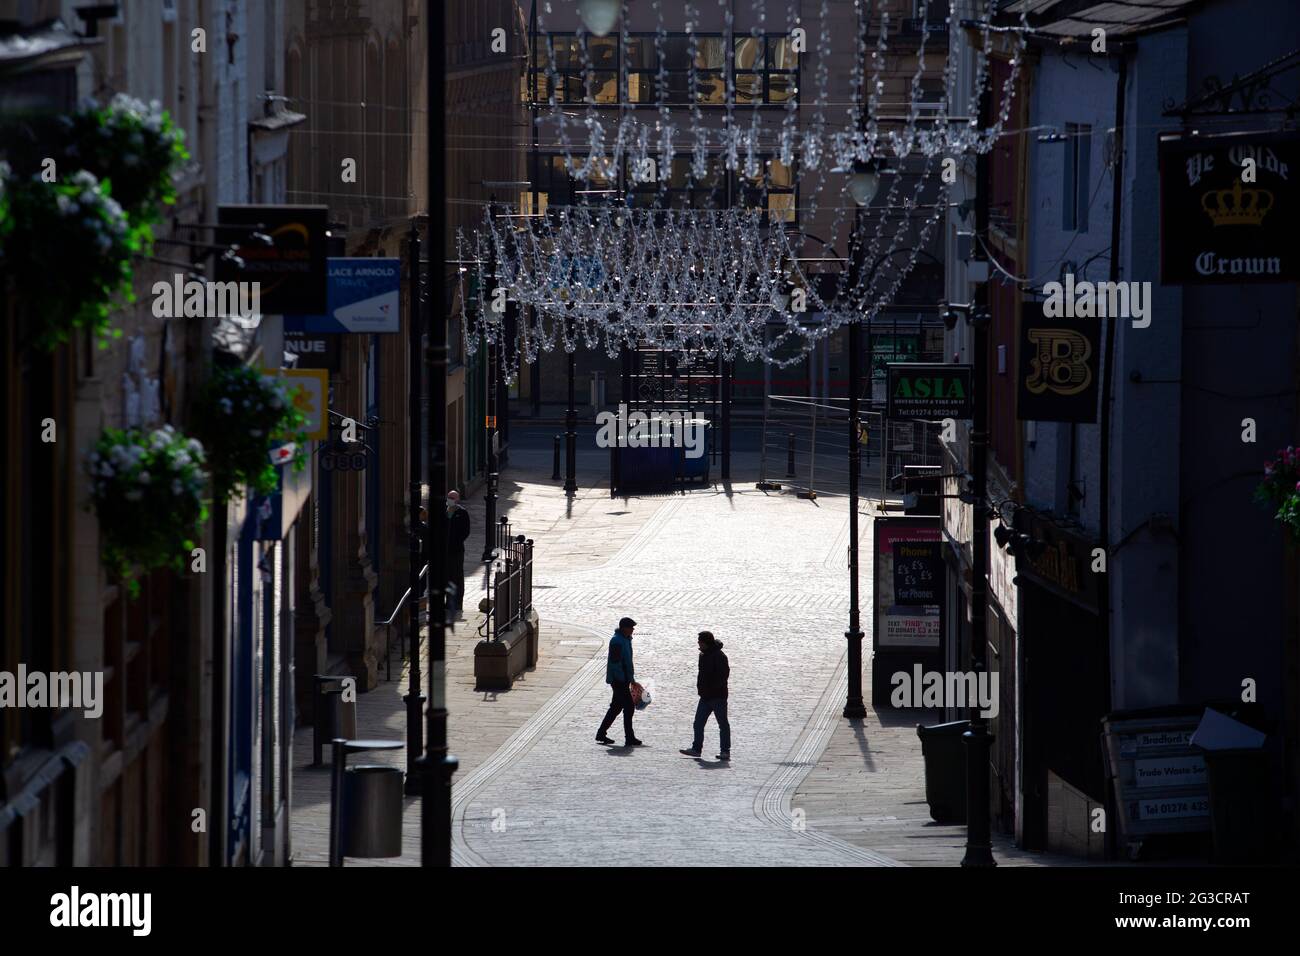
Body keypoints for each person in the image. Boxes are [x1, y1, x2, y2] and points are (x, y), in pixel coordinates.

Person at [680, 631, 730, 760]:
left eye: (700, 641)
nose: (698, 643)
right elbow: (701, 675)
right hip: (705, 696)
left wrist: (710, 690)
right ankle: (696, 749)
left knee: (722, 724)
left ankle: (725, 751)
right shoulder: (703, 655)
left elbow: (723, 676)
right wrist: (702, 690)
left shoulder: (719, 656)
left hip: (718, 696)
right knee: (698, 723)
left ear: (706, 642)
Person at [596, 617, 642, 747]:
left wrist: (631, 680)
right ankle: (629, 737)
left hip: (623, 680)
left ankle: (601, 733)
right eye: (631, 627)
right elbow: (616, 663)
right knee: (629, 707)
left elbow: (627, 662)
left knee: (616, 707)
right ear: (624, 628)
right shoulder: (617, 641)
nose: (633, 630)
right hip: (619, 680)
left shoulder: (626, 639)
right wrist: (624, 679)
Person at [446, 490, 470, 613]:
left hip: (456, 551)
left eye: (453, 498)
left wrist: (455, 542)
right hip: (444, 551)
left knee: (456, 576)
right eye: (449, 497)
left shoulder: (462, 513)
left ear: (457, 500)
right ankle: (447, 602)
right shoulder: (444, 511)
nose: (450, 499)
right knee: (446, 577)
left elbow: (466, 532)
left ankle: (457, 603)